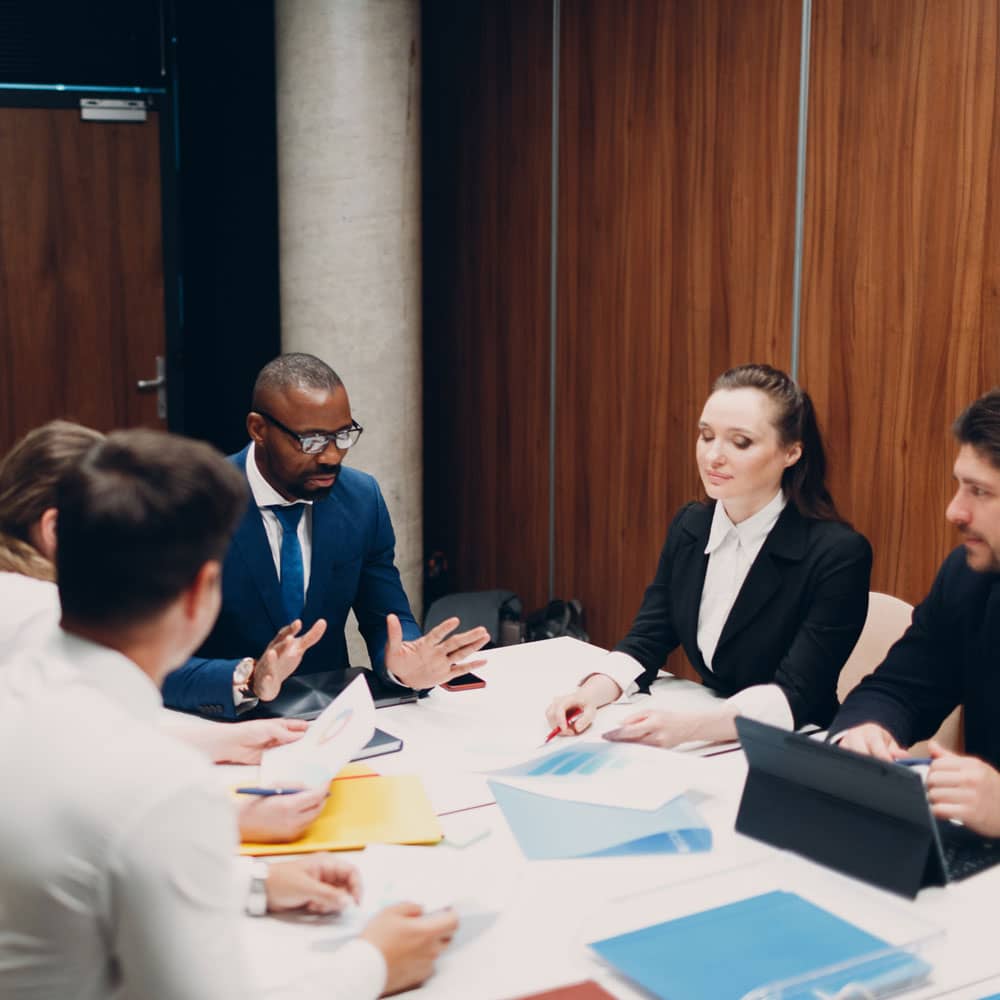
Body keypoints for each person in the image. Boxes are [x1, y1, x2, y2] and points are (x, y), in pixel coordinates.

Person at [0, 428, 457, 999]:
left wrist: (253, 883)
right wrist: (377, 963)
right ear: (202, 592)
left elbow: (92, 866)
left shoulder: (25, 695)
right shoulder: (162, 789)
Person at [0, 420, 326, 843]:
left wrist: (225, 741)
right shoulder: (38, 610)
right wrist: (231, 819)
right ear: (57, 530)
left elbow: (97, 731)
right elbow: (77, 779)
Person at [546, 364, 872, 747]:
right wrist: (591, 693)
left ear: (791, 452)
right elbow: (648, 637)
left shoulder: (838, 554)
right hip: (711, 734)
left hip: (793, 744)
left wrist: (689, 729)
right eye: (706, 436)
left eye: (741, 442)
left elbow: (796, 692)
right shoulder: (692, 525)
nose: (713, 456)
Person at [162, 353, 489, 719]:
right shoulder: (189, 506)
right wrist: (248, 680)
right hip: (220, 725)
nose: (332, 457)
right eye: (312, 441)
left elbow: (387, 618)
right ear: (258, 429)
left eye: (343, 436)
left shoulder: (361, 500)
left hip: (330, 720)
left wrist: (406, 664)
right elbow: (147, 660)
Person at [832, 388, 1000, 836]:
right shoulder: (968, 578)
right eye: (959, 485)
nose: (954, 510)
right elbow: (900, 688)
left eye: (980, 492)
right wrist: (866, 732)